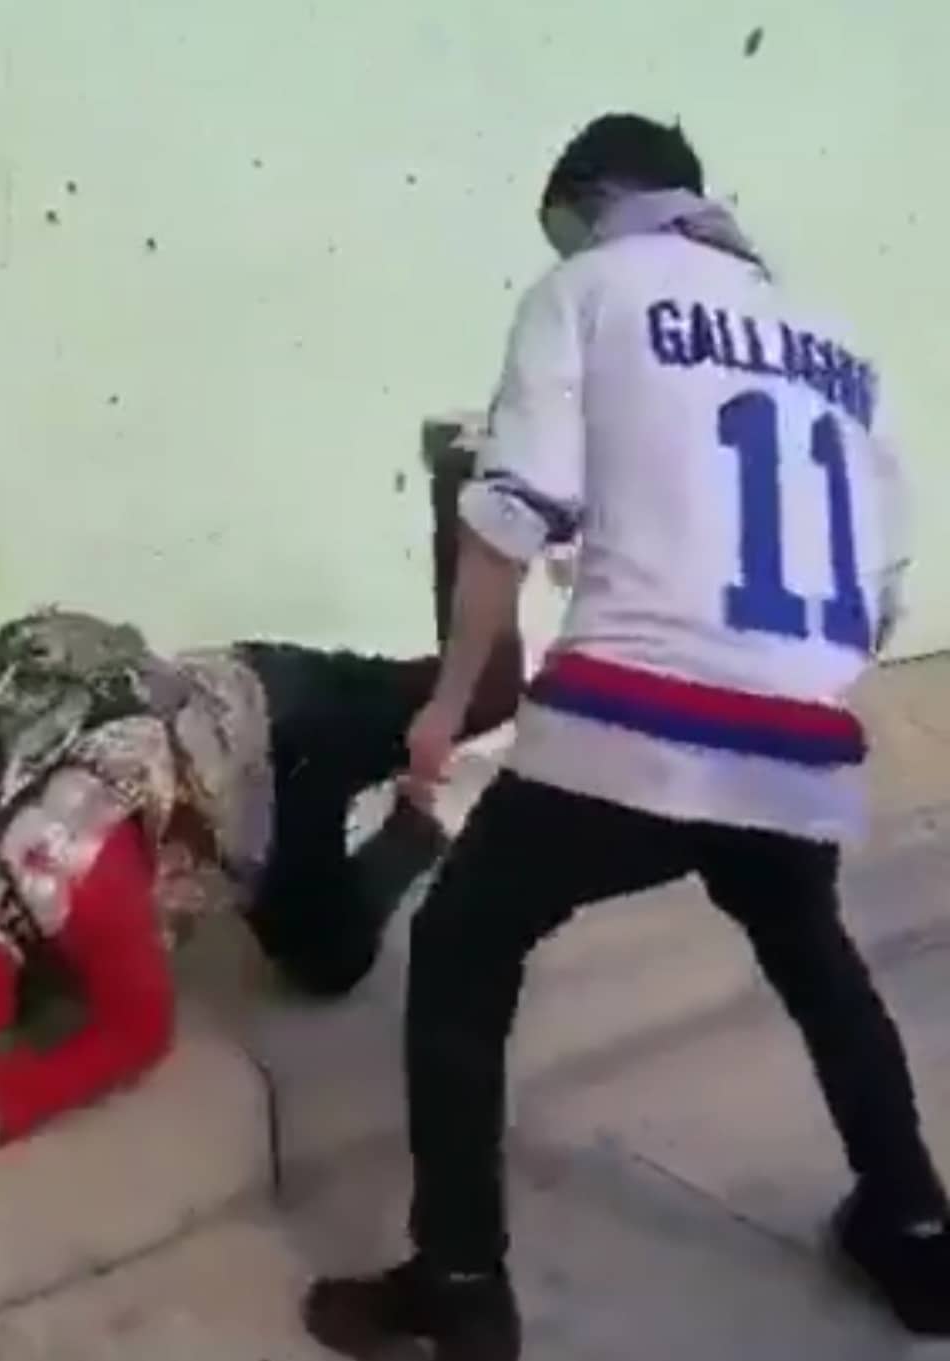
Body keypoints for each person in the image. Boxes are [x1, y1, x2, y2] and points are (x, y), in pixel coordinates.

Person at [302, 113, 950, 1359]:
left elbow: (509, 516)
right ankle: (916, 1231)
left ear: (597, 197)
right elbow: (878, 591)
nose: (563, 243)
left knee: (462, 942)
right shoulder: (840, 341)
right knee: (812, 947)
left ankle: (459, 1280)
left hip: (635, 722)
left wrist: (446, 705)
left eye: (563, 221)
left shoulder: (586, 290)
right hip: (801, 738)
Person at [0, 469, 522, 1207]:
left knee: (481, 701)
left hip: (277, 726)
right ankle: (419, 816)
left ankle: (478, 492)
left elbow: (140, 1029)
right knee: (324, 945)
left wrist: (1, 1104)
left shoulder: (72, 875)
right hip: (204, 729)